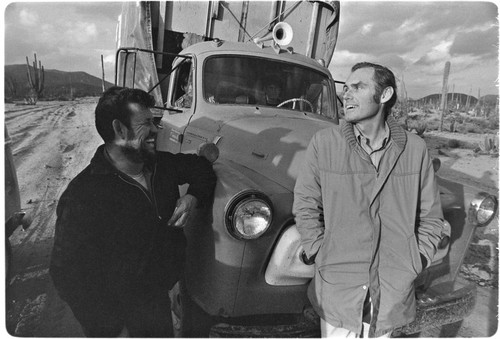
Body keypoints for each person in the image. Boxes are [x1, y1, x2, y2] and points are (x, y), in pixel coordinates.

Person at [293, 62, 448, 338]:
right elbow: (305, 204)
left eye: (358, 87)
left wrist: (415, 261)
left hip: (391, 288)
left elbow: (432, 217)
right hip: (338, 285)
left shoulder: (414, 150)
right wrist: (320, 251)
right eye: (345, 88)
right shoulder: (324, 144)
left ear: (385, 95)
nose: (346, 95)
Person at [49, 87, 217, 337]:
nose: (156, 130)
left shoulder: (161, 165)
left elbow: (202, 170)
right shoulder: (83, 195)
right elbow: (67, 273)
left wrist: (192, 198)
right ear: (119, 129)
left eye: (155, 121)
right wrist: (109, 327)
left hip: (156, 301)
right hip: (119, 318)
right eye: (147, 123)